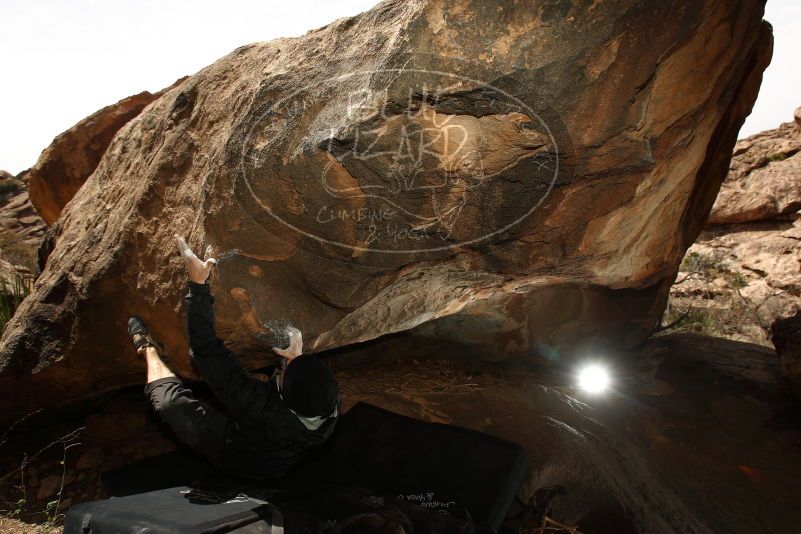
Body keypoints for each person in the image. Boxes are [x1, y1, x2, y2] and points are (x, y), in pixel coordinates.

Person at [127, 235, 339, 479]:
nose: (290, 362)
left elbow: (205, 349)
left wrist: (198, 284)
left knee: (169, 404)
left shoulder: (256, 405)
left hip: (235, 454)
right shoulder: (329, 408)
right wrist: (296, 360)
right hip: (279, 463)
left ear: (283, 395)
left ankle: (148, 349)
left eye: (287, 370)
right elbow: (306, 384)